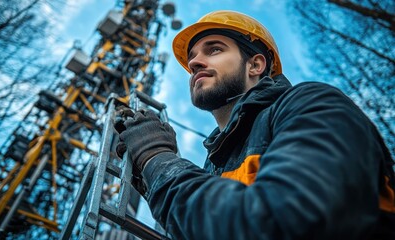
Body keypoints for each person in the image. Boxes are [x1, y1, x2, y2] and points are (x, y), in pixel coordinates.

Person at [116, 10, 395, 239]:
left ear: (256, 65)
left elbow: (282, 224)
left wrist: (159, 161)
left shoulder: (311, 104)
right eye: (192, 59)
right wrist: (151, 177)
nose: (195, 63)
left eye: (213, 49)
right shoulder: (214, 166)